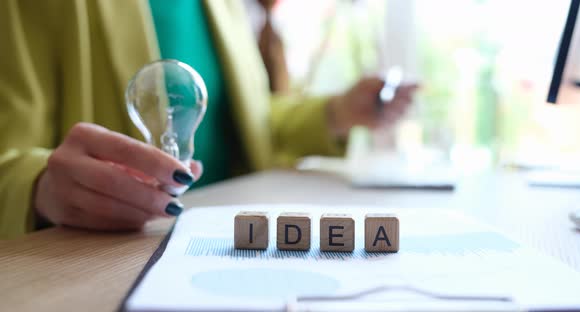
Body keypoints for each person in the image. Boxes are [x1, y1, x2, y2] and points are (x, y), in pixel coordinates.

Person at [0, 0, 417, 239]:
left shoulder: (223, 6)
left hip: (228, 238)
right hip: (110, 262)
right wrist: (42, 185)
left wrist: (338, 112)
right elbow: (9, 156)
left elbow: (245, 121)